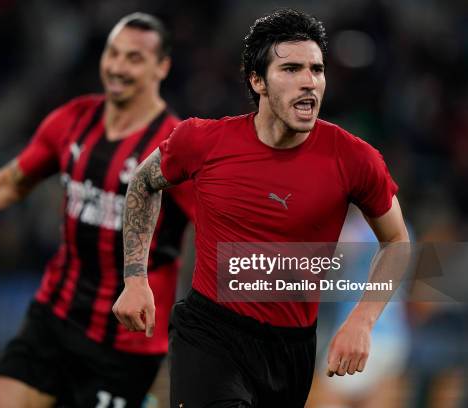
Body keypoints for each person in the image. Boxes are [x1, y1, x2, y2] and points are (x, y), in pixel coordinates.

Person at [0, 13, 193, 408]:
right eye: (113, 54)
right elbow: (12, 181)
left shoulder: (177, 146)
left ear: (161, 66)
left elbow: (216, 223)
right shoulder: (73, 119)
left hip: (125, 343)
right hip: (55, 319)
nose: (117, 67)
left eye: (134, 58)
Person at [113, 8, 410, 407]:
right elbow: (144, 182)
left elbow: (396, 241)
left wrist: (362, 320)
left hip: (291, 351)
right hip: (211, 333)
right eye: (291, 69)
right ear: (258, 80)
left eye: (316, 69)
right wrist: (135, 277)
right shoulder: (202, 141)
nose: (309, 82)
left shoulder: (354, 159)